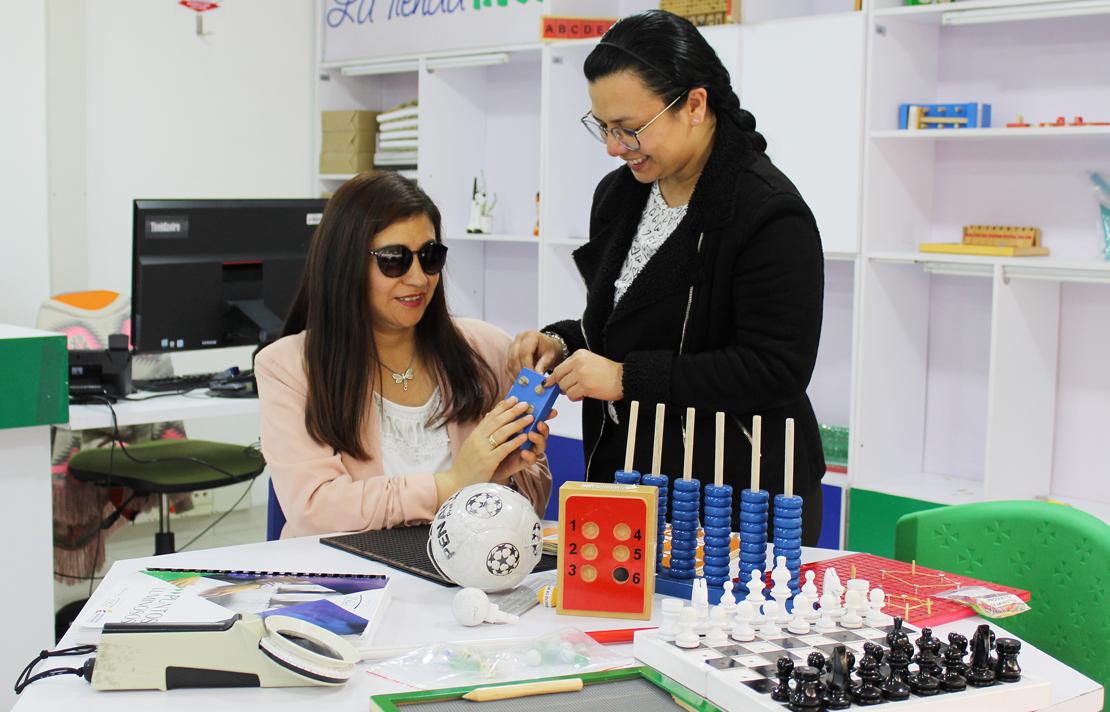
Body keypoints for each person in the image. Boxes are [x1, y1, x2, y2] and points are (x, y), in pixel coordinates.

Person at [508, 10, 826, 544]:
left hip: (738, 496)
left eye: (630, 129)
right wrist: (562, 342)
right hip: (632, 476)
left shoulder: (768, 212)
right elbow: (626, 322)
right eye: (603, 127)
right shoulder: (619, 196)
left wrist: (627, 380)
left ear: (695, 105)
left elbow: (775, 368)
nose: (614, 147)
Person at [257, 172, 552, 537]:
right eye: (394, 260)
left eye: (430, 257)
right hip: (350, 582)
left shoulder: (487, 350)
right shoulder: (288, 367)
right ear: (345, 263)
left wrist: (509, 474)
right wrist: (453, 483)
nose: (419, 278)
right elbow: (315, 511)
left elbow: (533, 504)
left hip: (460, 580)